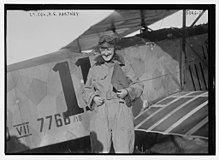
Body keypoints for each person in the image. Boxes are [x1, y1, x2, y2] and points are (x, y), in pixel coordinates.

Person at [82, 35, 144, 153]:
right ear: (99, 50)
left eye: (108, 49)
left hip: (121, 109)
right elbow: (86, 89)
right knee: (100, 150)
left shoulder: (123, 66)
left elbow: (138, 85)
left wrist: (127, 91)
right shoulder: (94, 68)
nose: (105, 53)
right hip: (101, 111)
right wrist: (93, 97)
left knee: (124, 148)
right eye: (103, 49)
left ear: (114, 49)